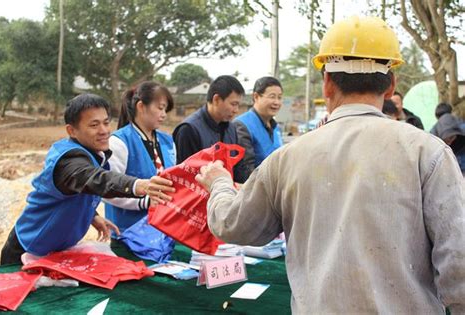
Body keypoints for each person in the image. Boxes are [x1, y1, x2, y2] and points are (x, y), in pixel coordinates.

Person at [194, 16, 464, 313]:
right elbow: (459, 265)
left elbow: (234, 225)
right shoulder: (428, 153)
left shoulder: (288, 158)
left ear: (327, 83)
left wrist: (219, 182)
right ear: (391, 86)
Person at [0, 94, 172, 265]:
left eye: (106, 122)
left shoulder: (95, 153)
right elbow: (95, 179)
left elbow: (80, 190)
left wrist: (93, 216)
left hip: (56, 250)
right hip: (26, 249)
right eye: (94, 125)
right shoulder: (68, 160)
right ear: (72, 131)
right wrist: (138, 185)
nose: (104, 131)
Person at [104, 81, 176, 239]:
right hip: (127, 233)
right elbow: (107, 190)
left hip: (164, 231)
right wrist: (145, 201)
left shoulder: (168, 141)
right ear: (141, 106)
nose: (164, 114)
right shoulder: (120, 141)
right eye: (160, 107)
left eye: (165, 109)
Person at [172, 75, 249, 183]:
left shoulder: (231, 128)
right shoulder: (189, 129)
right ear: (216, 99)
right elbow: (187, 176)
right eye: (233, 104)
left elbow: (238, 168)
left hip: (227, 194)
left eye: (238, 105)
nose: (236, 110)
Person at [234, 76, 283, 177]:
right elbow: (246, 172)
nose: (277, 102)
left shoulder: (275, 127)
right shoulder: (242, 125)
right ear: (256, 97)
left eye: (279, 97)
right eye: (272, 96)